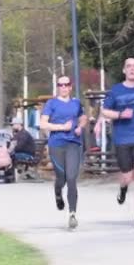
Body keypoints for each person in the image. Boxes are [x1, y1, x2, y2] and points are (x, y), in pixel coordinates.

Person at [101, 58, 134, 229]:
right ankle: (123, 188)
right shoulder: (116, 91)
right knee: (127, 176)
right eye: (128, 66)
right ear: (124, 70)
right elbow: (104, 111)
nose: (132, 69)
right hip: (122, 139)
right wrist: (119, 115)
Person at [40, 75, 87, 230]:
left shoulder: (76, 103)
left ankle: (72, 213)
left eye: (67, 84)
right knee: (62, 178)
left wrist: (80, 127)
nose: (64, 87)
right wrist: (61, 128)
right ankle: (58, 192)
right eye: (61, 85)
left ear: (71, 87)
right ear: (57, 87)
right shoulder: (51, 103)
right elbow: (43, 124)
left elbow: (83, 117)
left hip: (74, 143)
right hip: (57, 144)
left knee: (72, 177)